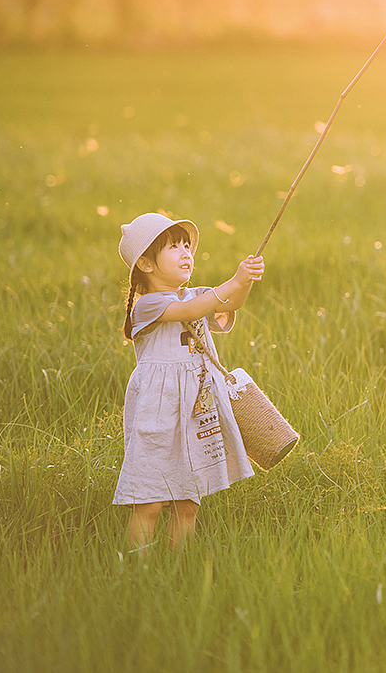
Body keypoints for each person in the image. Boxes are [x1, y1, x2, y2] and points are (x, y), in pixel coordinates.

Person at [113, 212, 265, 553]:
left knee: (188, 501)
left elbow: (228, 302)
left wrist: (245, 281)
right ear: (148, 265)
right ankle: (134, 571)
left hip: (195, 407)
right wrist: (233, 280)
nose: (186, 253)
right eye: (174, 247)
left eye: (187, 246)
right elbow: (194, 310)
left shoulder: (194, 294)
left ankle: (175, 566)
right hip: (159, 410)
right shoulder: (149, 305)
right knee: (150, 501)